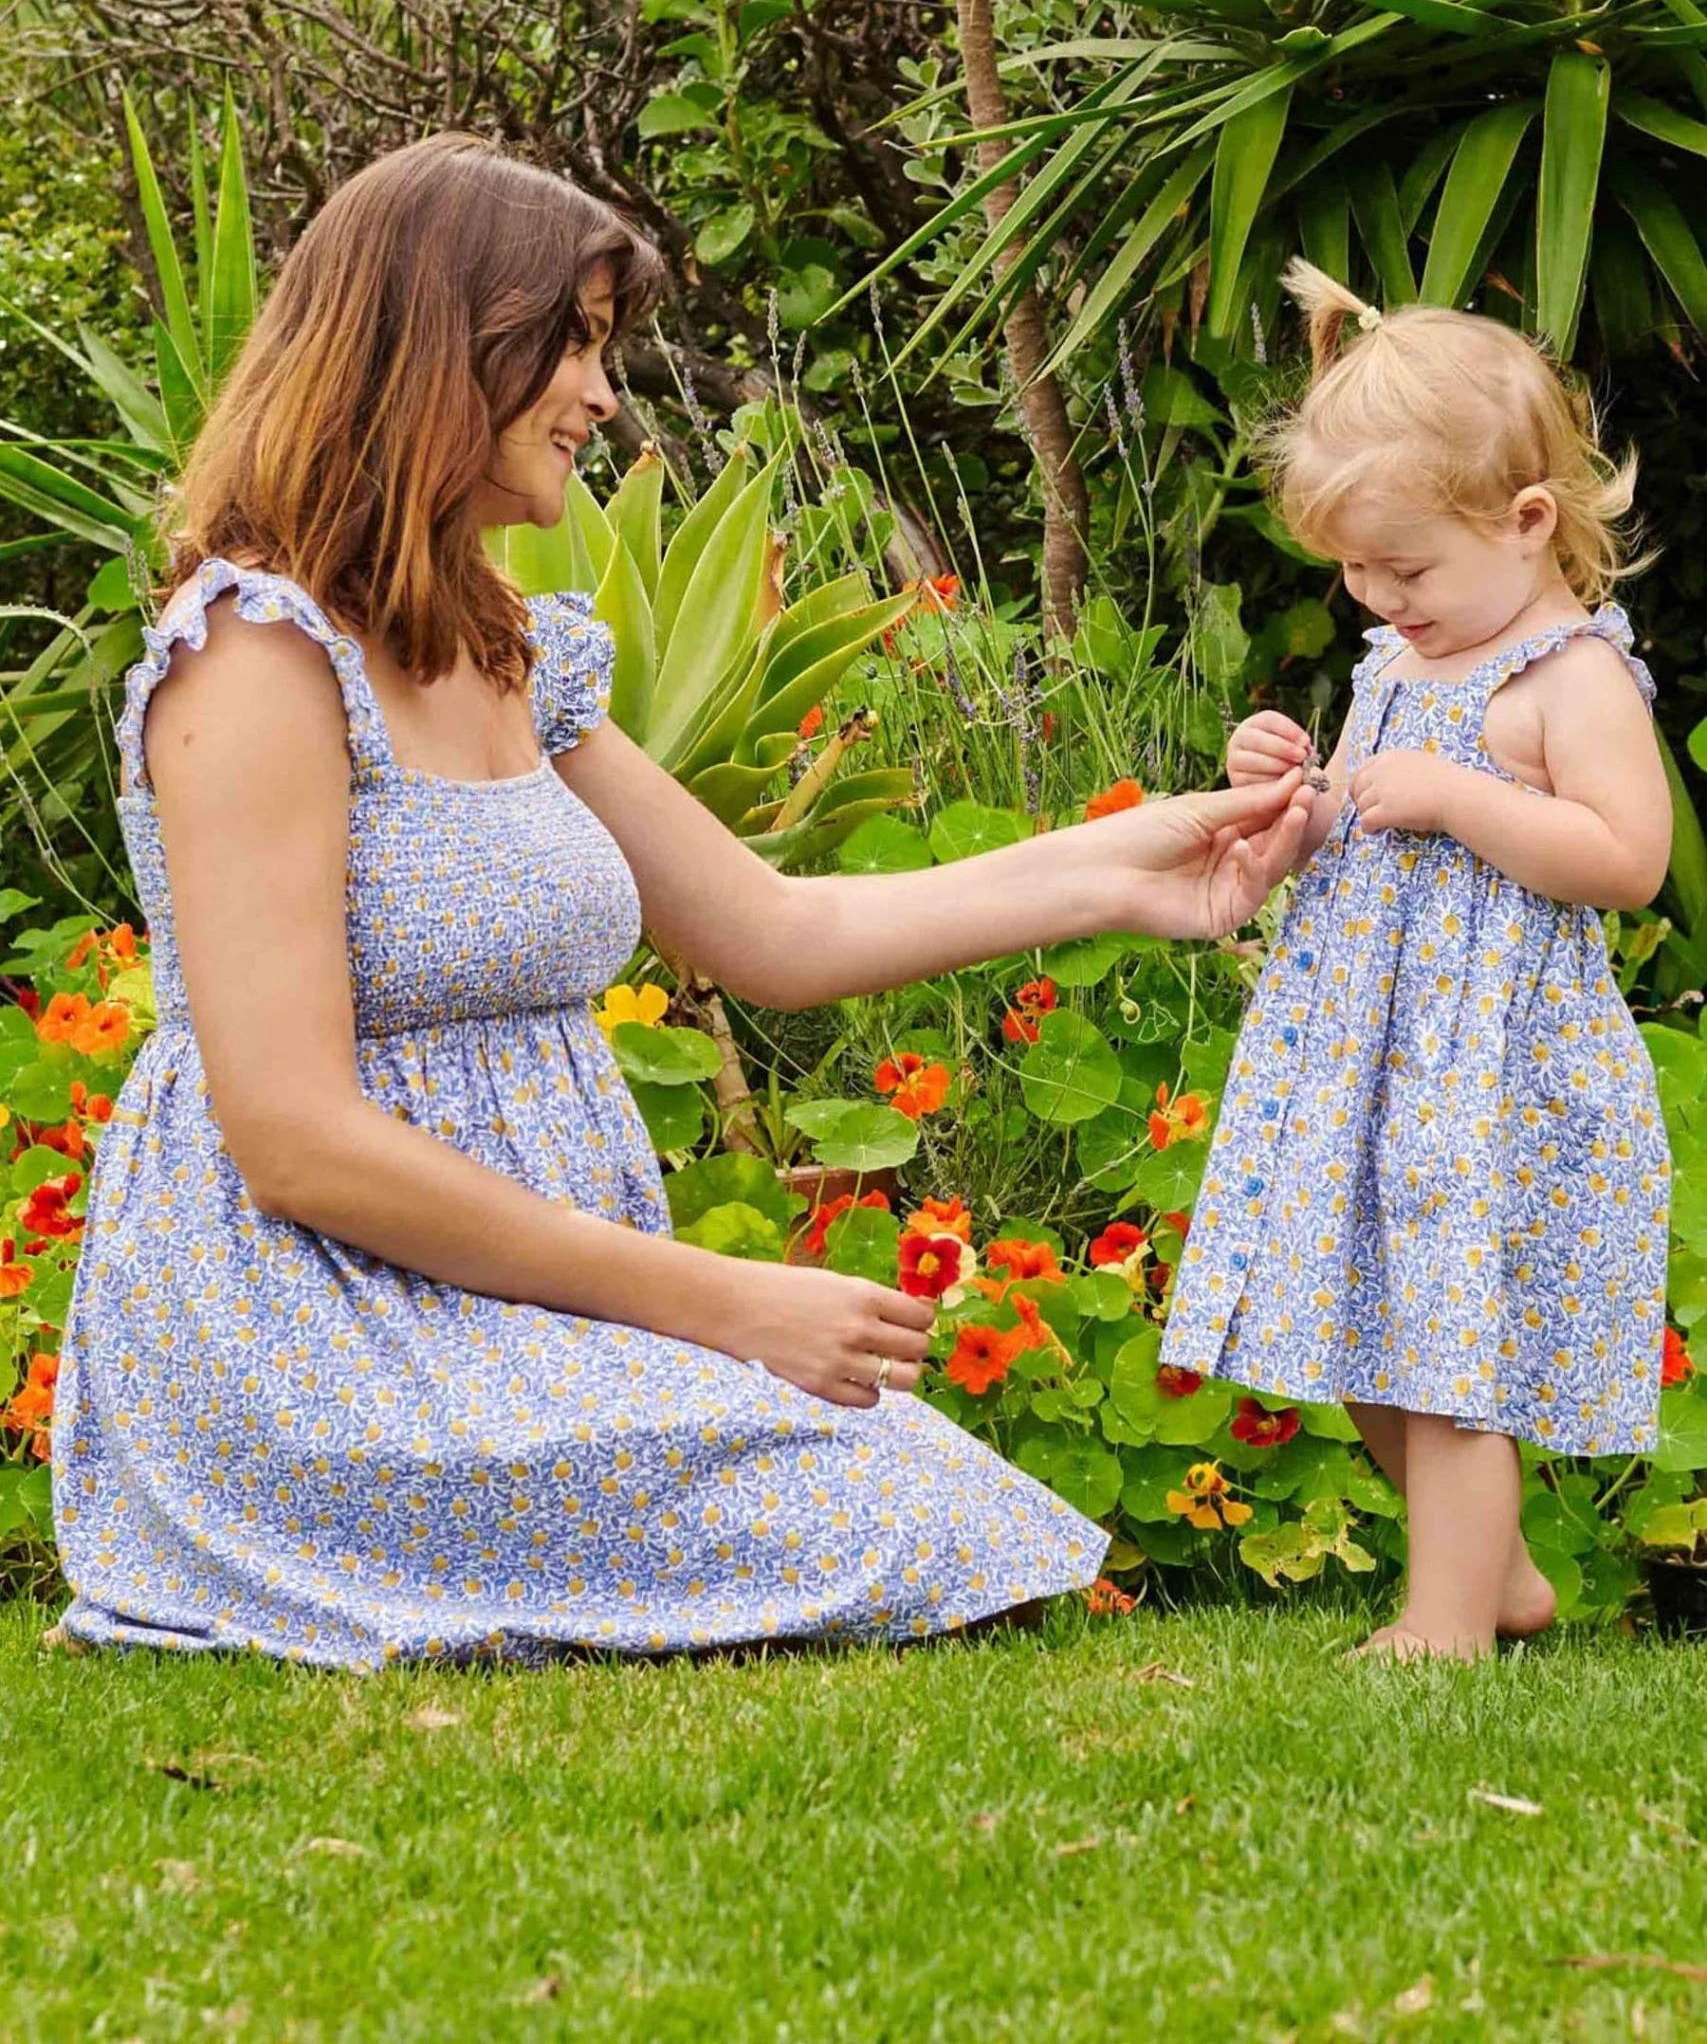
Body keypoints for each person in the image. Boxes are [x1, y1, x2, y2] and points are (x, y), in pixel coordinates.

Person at [51, 135, 1309, 1669]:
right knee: (894, 1520)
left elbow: (778, 931)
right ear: (432, 348)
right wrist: (721, 1301)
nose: (601, 396)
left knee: (918, 1510)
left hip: (538, 1311)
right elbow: (294, 1138)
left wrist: (1131, 865)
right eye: (570, 346)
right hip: (314, 1330)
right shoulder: (258, 659)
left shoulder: (506, 649)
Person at [1161, 261, 1673, 1662]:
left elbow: (1626, 858)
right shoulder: (1396, 663)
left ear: (1526, 521)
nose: (1377, 599)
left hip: (1491, 1071)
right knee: (1358, 1332)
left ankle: (1444, 1627)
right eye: (1355, 570)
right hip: (1369, 1061)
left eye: (1407, 568)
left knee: (1446, 1360)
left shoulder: (1568, 676)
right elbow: (1356, 819)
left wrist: (1460, 798)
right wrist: (1290, 795)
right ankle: (1500, 1580)